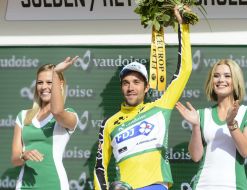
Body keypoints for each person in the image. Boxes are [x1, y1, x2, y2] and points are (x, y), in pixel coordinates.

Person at [93, 7, 193, 190]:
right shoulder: (109, 123)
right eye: (126, 83)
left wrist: (183, 27)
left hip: (154, 186)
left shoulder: (160, 107)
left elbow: (184, 70)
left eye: (136, 82)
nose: (130, 87)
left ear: (147, 87)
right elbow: (100, 167)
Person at [176, 59, 247, 190]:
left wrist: (231, 123)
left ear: (236, 81)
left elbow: (245, 151)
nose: (221, 80)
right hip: (202, 186)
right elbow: (196, 156)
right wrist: (195, 126)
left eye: (227, 76)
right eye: (216, 76)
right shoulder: (202, 114)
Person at [11, 56, 79, 190]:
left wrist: (55, 73)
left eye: (50, 82)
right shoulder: (23, 116)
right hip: (24, 186)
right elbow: (15, 159)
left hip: (55, 184)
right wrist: (24, 155)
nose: (44, 87)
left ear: (60, 85)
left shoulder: (69, 114)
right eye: (40, 82)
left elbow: (57, 111)